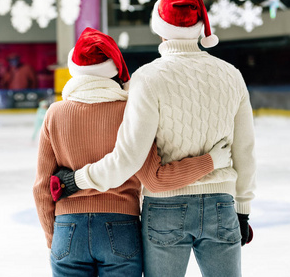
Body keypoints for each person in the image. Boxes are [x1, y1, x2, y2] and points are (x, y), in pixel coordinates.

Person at [54, 0, 256, 277]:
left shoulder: (147, 78)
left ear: (160, 29)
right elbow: (245, 150)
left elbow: (128, 158)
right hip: (220, 206)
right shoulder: (231, 75)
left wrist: (76, 180)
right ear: (201, 28)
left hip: (164, 210)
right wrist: (243, 207)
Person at [33, 28, 232, 277]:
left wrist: (54, 239)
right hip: (120, 226)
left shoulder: (54, 114)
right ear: (114, 68)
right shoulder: (131, 112)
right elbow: (156, 177)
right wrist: (210, 161)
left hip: (67, 227)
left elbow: (42, 187)